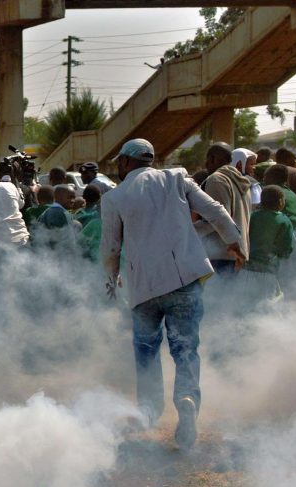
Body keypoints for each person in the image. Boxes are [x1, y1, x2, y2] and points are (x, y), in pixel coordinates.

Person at [100, 138, 245, 451]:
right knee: (185, 348)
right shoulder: (177, 177)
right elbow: (215, 211)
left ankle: (150, 411)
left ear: (126, 163)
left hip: (143, 289)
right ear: (149, 160)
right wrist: (234, 242)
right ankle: (187, 399)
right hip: (183, 279)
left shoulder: (115, 197)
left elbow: (111, 247)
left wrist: (111, 280)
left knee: (146, 349)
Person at [195, 143, 251, 276]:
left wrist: (188, 231)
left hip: (220, 254)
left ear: (212, 159)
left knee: (212, 296)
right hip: (237, 253)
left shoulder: (216, 180)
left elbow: (216, 219)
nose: (206, 164)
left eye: (207, 160)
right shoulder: (240, 180)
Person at [245, 185, 294, 301]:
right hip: (268, 270)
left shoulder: (252, 216)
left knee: (245, 302)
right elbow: (285, 249)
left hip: (246, 269)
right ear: (280, 202)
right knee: (267, 304)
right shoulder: (284, 221)